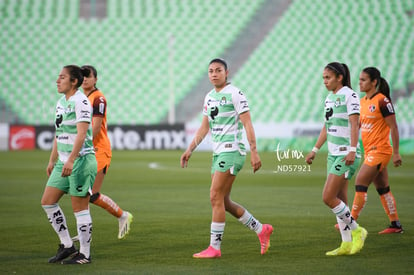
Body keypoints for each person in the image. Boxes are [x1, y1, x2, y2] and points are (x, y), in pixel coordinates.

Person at [180, 58, 273, 259]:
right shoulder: (209, 97)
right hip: (218, 153)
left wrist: (254, 151)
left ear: (226, 72)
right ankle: (261, 229)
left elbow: (248, 124)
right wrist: (190, 149)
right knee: (224, 201)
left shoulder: (235, 94)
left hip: (232, 151)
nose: (214, 74)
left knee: (214, 196)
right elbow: (204, 127)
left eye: (218, 70)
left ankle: (214, 248)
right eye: (211, 71)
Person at [305, 62, 367, 256]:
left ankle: (358, 231)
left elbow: (354, 124)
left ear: (339, 77)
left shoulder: (350, 95)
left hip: (346, 154)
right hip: (333, 154)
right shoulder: (329, 98)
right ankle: (346, 243)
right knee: (340, 199)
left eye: (328, 77)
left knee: (328, 197)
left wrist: (352, 149)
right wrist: (315, 149)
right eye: (323, 78)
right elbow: (327, 126)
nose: (324, 81)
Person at [41, 65, 97, 264]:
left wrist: (72, 159)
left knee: (79, 208)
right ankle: (67, 245)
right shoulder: (60, 102)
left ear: (74, 82)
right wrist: (52, 159)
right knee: (47, 201)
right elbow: (59, 132)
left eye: (62, 77)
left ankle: (85, 254)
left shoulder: (81, 101)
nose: (58, 80)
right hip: (63, 160)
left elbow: (82, 133)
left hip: (80, 160)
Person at [78, 65, 133, 240]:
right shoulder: (81, 98)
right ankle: (120, 216)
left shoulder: (98, 98)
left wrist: (80, 145)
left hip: (98, 150)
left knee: (88, 193)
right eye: (82, 76)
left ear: (95, 79)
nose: (85, 79)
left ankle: (121, 216)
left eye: (88, 76)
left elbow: (95, 127)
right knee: (86, 194)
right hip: (87, 149)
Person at [350, 67, 403, 234]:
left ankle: (349, 222)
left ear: (374, 82)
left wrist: (396, 152)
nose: (360, 82)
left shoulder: (382, 101)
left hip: (380, 151)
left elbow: (393, 127)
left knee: (360, 182)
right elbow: (358, 125)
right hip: (370, 151)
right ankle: (395, 224)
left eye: (363, 79)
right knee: (383, 188)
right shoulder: (363, 101)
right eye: (359, 79)